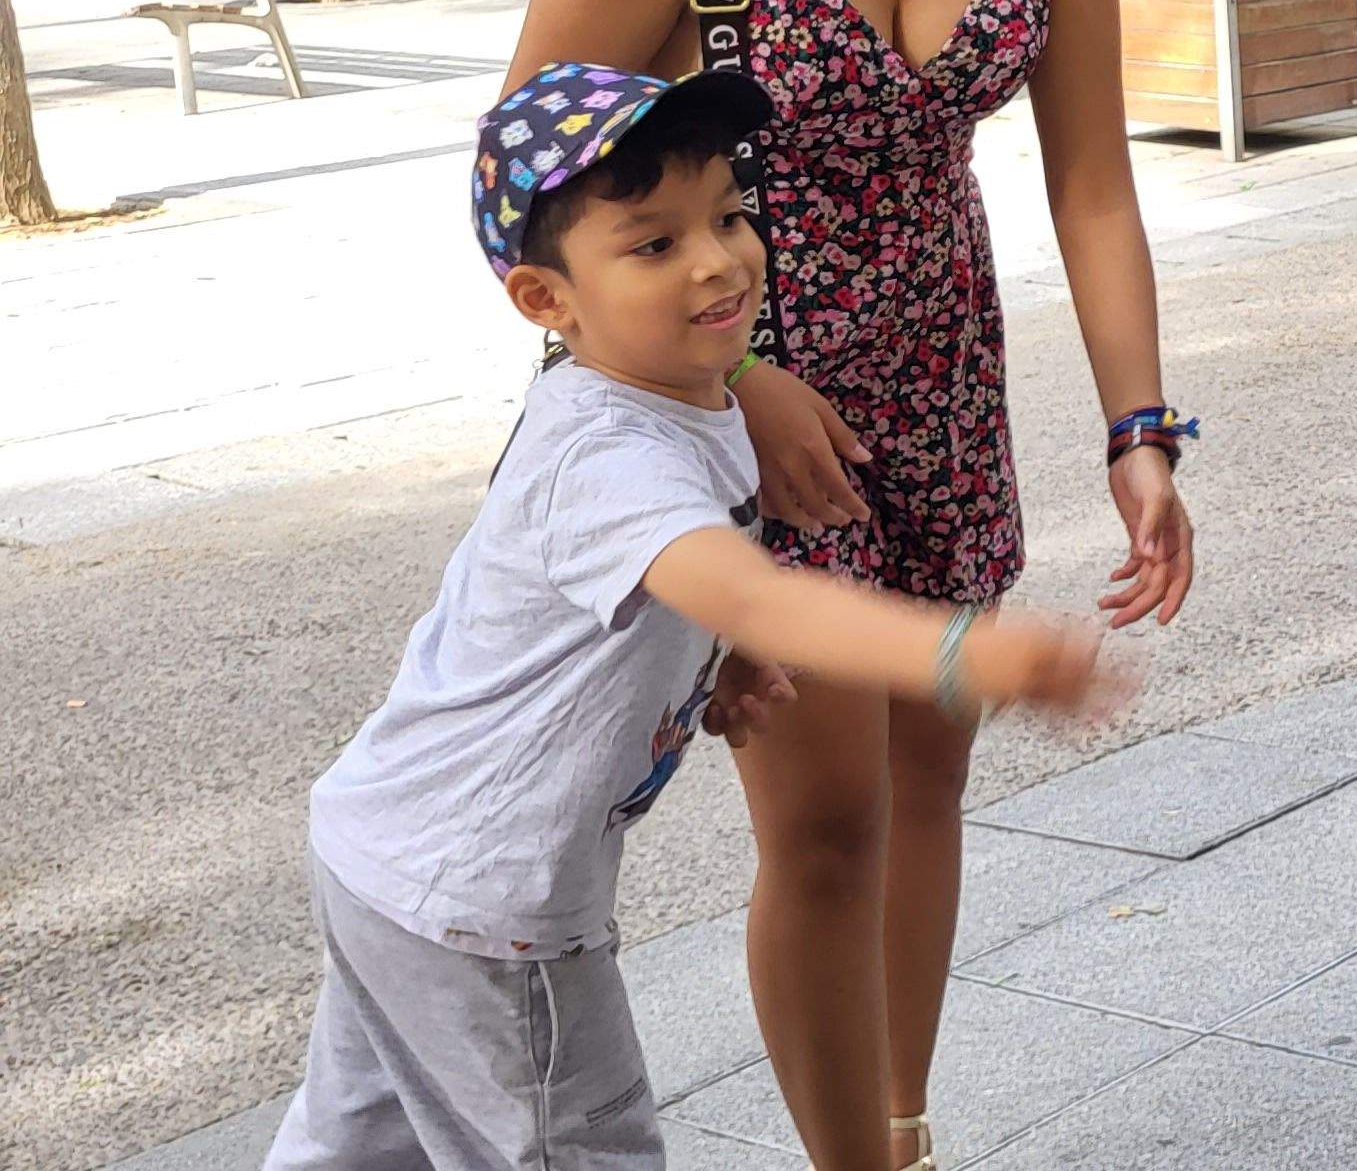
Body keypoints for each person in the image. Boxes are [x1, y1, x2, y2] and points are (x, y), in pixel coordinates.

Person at [509, 0, 1197, 1171]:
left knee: (932, 785)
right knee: (824, 821)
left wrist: (1140, 432)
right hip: (746, 408)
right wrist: (741, 381)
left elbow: (1092, 190)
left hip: (945, 385)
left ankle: (900, 1126)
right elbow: (525, 182)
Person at [266, 65, 1116, 1171]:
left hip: (392, 853)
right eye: (654, 244)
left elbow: (691, 588)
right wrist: (961, 652)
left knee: (361, 1147)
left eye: (728, 214)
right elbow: (750, 586)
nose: (718, 259)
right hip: (483, 902)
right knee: (579, 1147)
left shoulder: (673, 396)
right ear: (546, 300)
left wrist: (718, 654)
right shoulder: (607, 453)